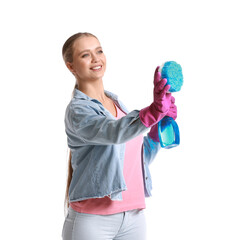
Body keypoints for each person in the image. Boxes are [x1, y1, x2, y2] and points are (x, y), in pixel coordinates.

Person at [61, 32, 177, 240]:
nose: (96, 59)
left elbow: (137, 161)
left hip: (134, 218)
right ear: (71, 66)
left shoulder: (118, 106)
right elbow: (113, 132)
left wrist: (157, 125)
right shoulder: (78, 111)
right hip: (92, 222)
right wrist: (151, 113)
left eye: (99, 51)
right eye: (85, 55)